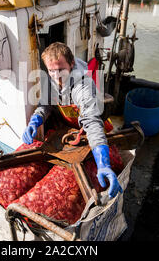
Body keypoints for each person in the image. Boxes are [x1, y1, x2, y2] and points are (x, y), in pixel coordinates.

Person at [22, 42, 123, 199]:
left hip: (91, 131)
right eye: (51, 71)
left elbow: (92, 123)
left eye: (61, 70)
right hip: (70, 128)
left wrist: (104, 164)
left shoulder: (83, 86)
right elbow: (45, 105)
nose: (57, 76)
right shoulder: (51, 81)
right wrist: (35, 121)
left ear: (72, 64)